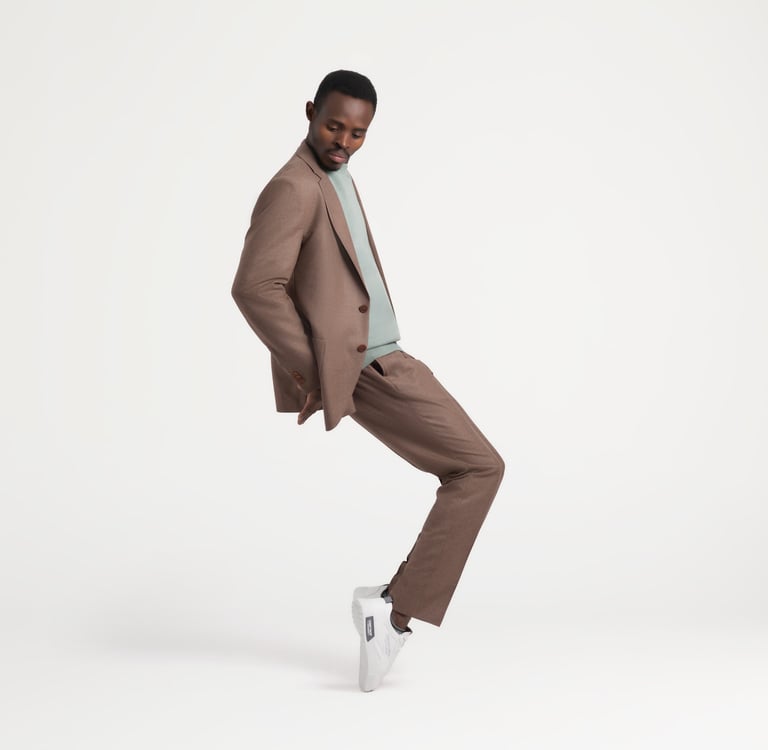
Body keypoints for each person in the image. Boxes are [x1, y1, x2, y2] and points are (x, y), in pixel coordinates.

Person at [231, 70, 504, 692]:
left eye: (358, 133)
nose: (344, 142)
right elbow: (255, 287)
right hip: (367, 366)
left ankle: (393, 604)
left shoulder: (334, 173)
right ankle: (393, 614)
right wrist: (320, 369)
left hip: (386, 355)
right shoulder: (292, 187)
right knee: (479, 468)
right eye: (334, 126)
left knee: (476, 468)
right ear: (309, 112)